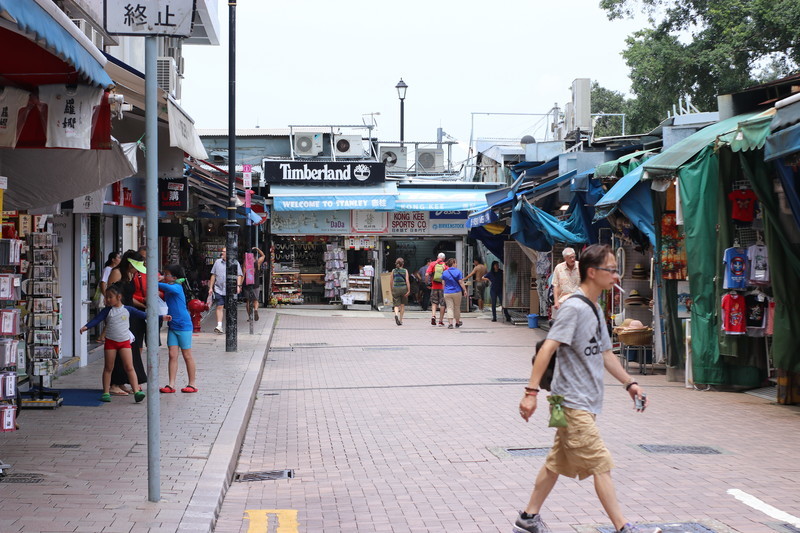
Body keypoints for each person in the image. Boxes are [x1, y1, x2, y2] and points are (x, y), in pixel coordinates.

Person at [513, 244, 658, 533]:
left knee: (556, 463)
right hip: (570, 403)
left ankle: (528, 519)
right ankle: (623, 527)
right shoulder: (574, 308)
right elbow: (547, 348)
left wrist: (630, 383)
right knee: (600, 463)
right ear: (592, 272)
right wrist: (530, 393)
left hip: (578, 404)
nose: (617, 275)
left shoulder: (593, 308)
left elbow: (605, 353)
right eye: (612, 269)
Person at [79, 284, 170, 403]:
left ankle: (136, 391)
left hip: (125, 343)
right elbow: (97, 319)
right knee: (108, 367)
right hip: (110, 343)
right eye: (106, 297)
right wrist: (86, 327)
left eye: (110, 297)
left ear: (119, 297)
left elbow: (144, 315)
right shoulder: (107, 311)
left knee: (129, 367)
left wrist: (161, 317)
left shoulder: (128, 309)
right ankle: (106, 392)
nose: (107, 300)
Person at [106, 250, 147, 396]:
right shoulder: (116, 273)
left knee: (129, 349)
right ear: (130, 263)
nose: (137, 271)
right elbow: (110, 295)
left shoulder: (129, 274)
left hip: (130, 315)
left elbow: (129, 298)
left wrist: (143, 305)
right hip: (119, 317)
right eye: (136, 267)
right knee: (118, 348)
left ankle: (122, 381)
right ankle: (114, 383)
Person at [158, 265, 198, 394]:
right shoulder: (171, 288)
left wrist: (155, 280)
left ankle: (192, 384)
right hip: (173, 325)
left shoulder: (176, 287)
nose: (164, 276)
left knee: (187, 355)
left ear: (174, 277)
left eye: (166, 274)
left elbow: (165, 287)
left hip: (183, 325)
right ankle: (171, 384)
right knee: (172, 355)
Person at [208, 247, 243, 334]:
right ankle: (219, 325)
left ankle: (230, 326)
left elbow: (239, 275)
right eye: (222, 252)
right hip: (219, 288)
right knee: (219, 306)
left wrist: (238, 286)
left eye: (224, 252)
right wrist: (210, 288)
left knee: (230, 308)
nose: (222, 253)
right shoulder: (217, 262)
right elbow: (213, 275)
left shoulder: (235, 263)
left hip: (230, 289)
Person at [96, 251, 121, 343]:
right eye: (118, 257)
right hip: (109, 296)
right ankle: (102, 336)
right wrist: (106, 296)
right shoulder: (108, 269)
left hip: (112, 297)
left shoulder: (115, 270)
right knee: (110, 316)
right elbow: (103, 282)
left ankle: (104, 335)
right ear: (113, 259)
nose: (120, 259)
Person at [441, 258, 468, 329]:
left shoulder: (445, 272)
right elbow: (461, 282)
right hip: (457, 292)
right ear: (453, 263)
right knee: (456, 307)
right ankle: (457, 322)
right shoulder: (458, 272)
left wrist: (444, 290)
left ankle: (450, 324)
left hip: (447, 292)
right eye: (456, 263)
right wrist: (464, 290)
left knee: (449, 308)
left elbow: (443, 283)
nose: (456, 264)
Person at [552, 247, 580, 314]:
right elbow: (555, 286)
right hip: (563, 302)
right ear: (565, 258)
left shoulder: (581, 266)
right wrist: (556, 301)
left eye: (574, 257)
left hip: (579, 301)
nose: (573, 259)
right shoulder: (559, 268)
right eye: (570, 258)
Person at [243, 247, 266, 321]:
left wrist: (239, 285)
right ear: (255, 256)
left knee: (248, 301)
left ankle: (250, 317)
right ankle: (255, 309)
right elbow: (263, 256)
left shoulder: (245, 263)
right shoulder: (257, 262)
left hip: (247, 284)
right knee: (256, 300)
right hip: (256, 284)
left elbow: (243, 275)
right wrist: (258, 249)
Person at [426, 253, 448, 327]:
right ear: (444, 259)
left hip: (434, 286)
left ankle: (433, 316)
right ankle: (440, 321)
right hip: (442, 287)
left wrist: (427, 283)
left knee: (434, 302)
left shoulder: (432, 264)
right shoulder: (445, 265)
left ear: (437, 257)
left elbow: (427, 274)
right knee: (442, 304)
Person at [391, 257, 410, 325]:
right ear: (403, 264)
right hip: (403, 288)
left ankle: (396, 314)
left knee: (396, 305)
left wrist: (391, 289)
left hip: (396, 288)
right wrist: (408, 290)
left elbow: (391, 281)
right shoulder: (405, 271)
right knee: (402, 305)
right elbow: (407, 281)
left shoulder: (393, 271)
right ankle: (401, 320)